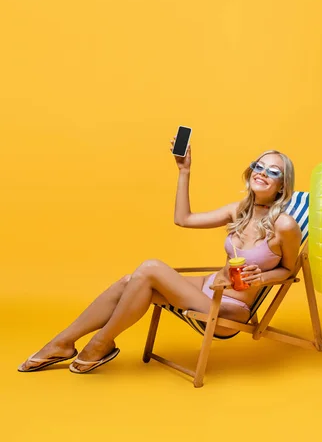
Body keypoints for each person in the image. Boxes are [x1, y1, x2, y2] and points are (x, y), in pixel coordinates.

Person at [18, 140, 301, 374]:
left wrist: (261, 277)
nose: (262, 173)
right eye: (259, 166)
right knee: (131, 281)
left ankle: (100, 343)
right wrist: (184, 171)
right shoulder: (239, 210)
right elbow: (183, 219)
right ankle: (64, 343)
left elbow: (289, 270)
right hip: (207, 287)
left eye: (273, 172)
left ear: (282, 186)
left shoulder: (285, 225)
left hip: (227, 309)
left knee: (150, 269)